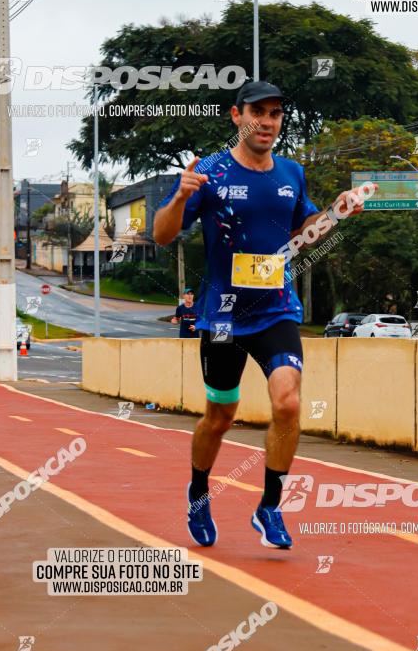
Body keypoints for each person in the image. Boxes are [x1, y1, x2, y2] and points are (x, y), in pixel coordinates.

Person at [153, 80, 365, 550]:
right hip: (224, 317)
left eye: (275, 114)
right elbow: (163, 235)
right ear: (237, 116)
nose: (267, 122)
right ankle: (198, 492)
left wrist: (335, 212)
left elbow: (306, 230)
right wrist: (180, 197)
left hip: (275, 309)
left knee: (288, 402)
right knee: (220, 415)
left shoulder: (292, 172)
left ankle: (269, 505)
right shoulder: (208, 172)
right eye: (258, 112)